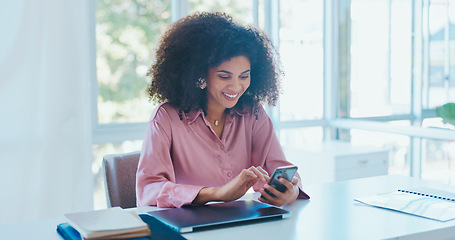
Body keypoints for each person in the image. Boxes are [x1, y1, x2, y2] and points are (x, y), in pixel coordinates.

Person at [136, 12, 309, 208]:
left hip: (236, 223)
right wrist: (215, 193)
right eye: (224, 77)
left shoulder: (253, 113)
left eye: (244, 76)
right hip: (187, 228)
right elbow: (149, 189)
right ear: (201, 74)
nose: (236, 87)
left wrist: (292, 190)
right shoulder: (167, 118)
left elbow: (280, 167)